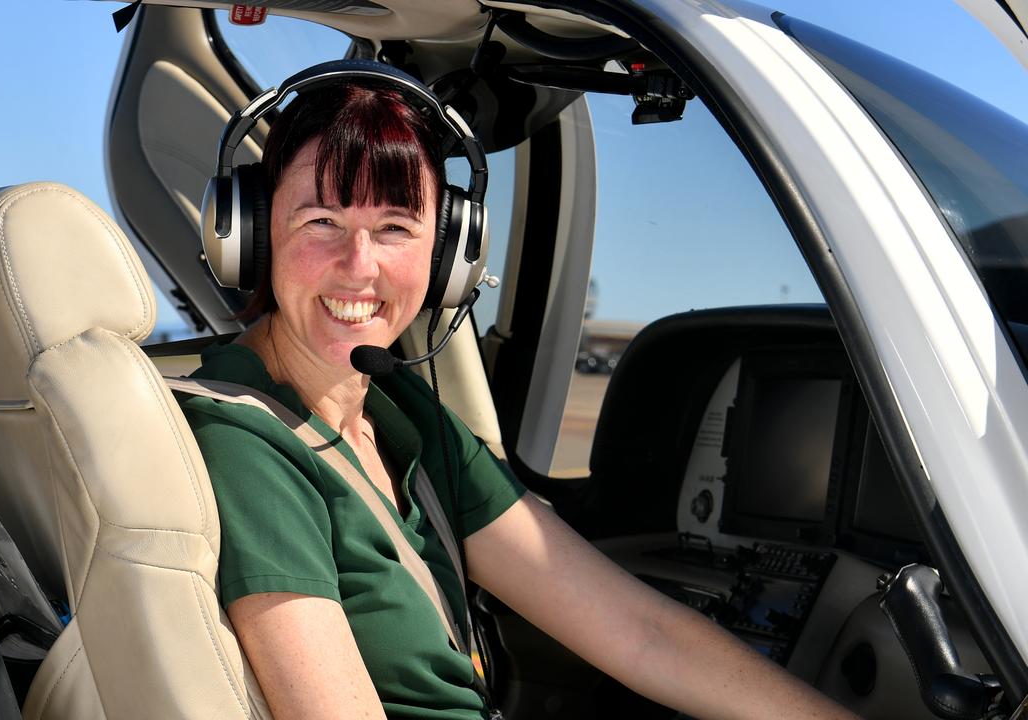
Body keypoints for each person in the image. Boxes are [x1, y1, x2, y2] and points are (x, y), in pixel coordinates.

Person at [178, 69, 858, 720]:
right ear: (253, 235)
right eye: (321, 221)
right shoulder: (246, 443)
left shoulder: (399, 414)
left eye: (394, 227)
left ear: (449, 258)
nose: (360, 265)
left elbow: (641, 632)